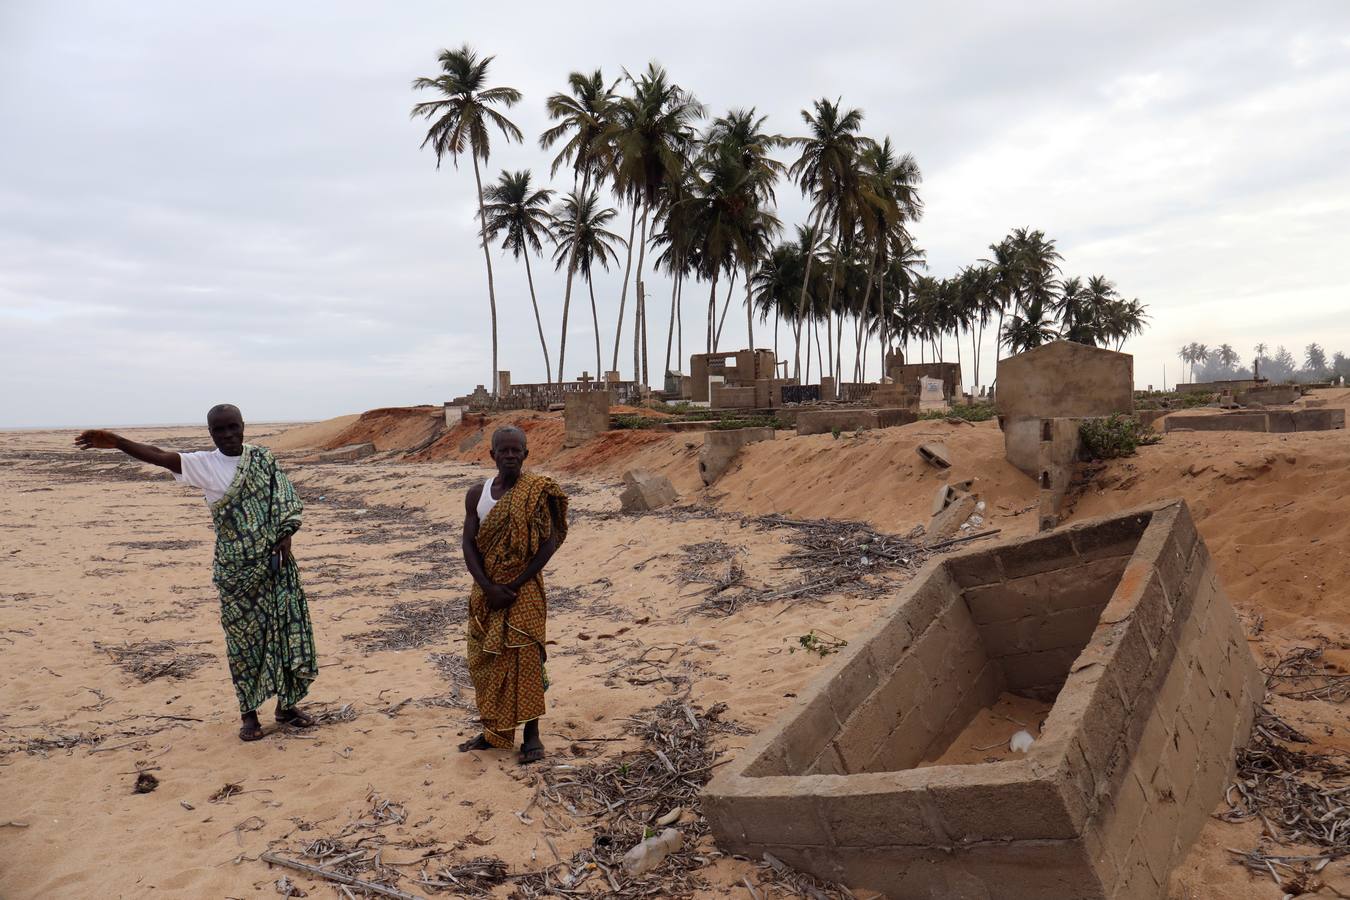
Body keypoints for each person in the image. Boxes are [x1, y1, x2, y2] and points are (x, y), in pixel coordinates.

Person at [75, 404, 319, 742]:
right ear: (210, 433)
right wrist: (118, 441)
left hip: (275, 568)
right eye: (219, 430)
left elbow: (285, 502)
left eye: (233, 427)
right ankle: (249, 715)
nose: (228, 435)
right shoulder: (204, 465)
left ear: (244, 426)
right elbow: (158, 455)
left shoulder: (263, 459)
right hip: (236, 571)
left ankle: (286, 707)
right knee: (243, 644)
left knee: (284, 633)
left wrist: (287, 535)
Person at [459, 426, 568, 764]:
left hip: (525, 590)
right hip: (486, 593)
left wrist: (516, 583)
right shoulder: (477, 495)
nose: (510, 455)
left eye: (516, 450)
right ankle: (494, 731)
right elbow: (469, 543)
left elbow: (549, 543)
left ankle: (532, 735)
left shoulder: (537, 492)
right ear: (491, 455)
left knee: (527, 658)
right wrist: (489, 587)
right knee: (486, 661)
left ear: (526, 453)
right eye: (503, 450)